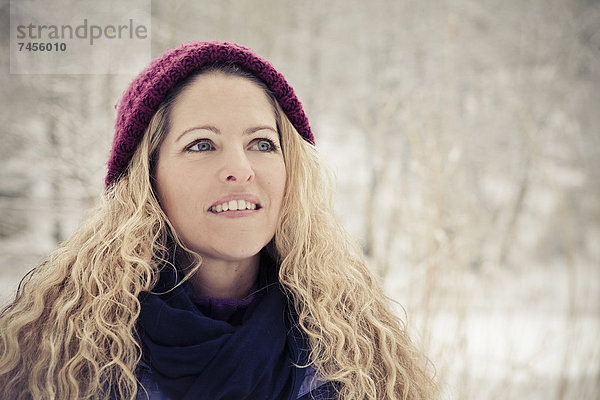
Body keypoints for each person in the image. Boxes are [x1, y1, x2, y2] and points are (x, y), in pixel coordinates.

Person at [0, 41, 438, 399]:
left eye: (263, 144)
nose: (241, 168)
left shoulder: (359, 355)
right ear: (147, 180)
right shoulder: (56, 355)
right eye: (202, 144)